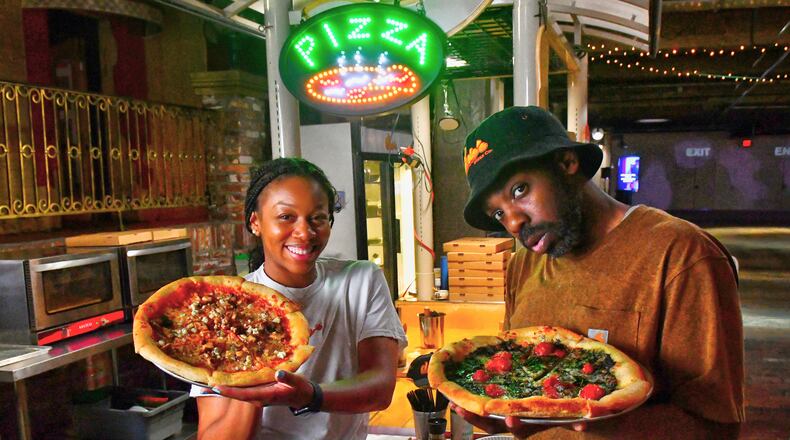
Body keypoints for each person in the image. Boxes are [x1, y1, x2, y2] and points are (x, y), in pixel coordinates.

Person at [452, 106, 745, 439]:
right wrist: (503, 415)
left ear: (566, 164)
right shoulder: (523, 264)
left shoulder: (681, 256)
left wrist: (598, 419)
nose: (514, 222)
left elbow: (716, 428)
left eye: (520, 190)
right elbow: (518, 389)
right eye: (498, 214)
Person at [191, 157, 407, 440]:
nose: (305, 233)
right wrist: (251, 379)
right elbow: (214, 434)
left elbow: (380, 389)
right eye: (286, 217)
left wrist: (310, 395)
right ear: (256, 222)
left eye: (317, 217)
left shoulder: (361, 280)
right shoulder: (225, 307)